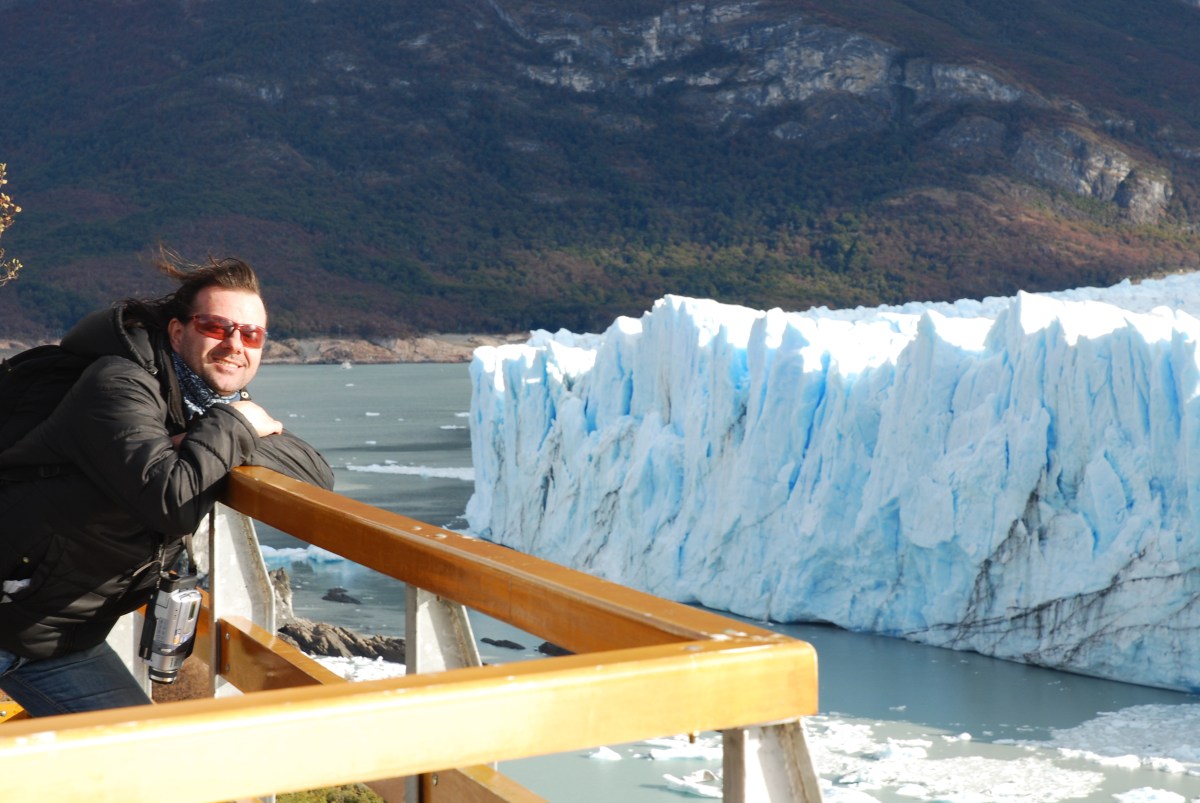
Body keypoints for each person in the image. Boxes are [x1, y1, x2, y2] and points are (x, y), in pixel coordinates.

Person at [0, 250, 334, 716]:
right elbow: (171, 501)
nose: (235, 344)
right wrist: (234, 425)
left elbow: (315, 476)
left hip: (52, 638)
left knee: (148, 756)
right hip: (15, 616)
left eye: (251, 334)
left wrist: (213, 432)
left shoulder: (206, 405)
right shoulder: (117, 384)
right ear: (178, 332)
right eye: (216, 326)